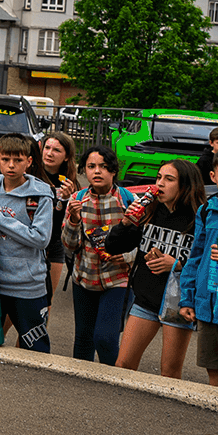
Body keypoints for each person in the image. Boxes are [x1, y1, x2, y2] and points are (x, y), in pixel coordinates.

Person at [111, 160, 201, 379]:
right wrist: (126, 223)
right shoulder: (150, 211)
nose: (160, 184)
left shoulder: (199, 218)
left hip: (178, 302)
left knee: (169, 372)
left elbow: (206, 263)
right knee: (123, 364)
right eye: (159, 177)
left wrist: (177, 264)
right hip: (146, 298)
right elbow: (113, 247)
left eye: (169, 179)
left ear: (186, 186)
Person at [0, 134, 54, 352]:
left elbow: (40, 238)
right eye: (5, 159)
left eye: (18, 160)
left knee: (35, 348)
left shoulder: (40, 196)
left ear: (29, 161)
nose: (11, 165)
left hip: (27, 286)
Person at [61, 145, 135, 363]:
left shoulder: (128, 200)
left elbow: (143, 240)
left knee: (105, 338)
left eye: (103, 166)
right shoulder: (77, 200)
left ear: (113, 171)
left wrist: (128, 256)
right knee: (83, 339)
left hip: (118, 279)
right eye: (91, 166)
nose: (97, 171)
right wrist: (74, 219)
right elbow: (69, 245)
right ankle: (81, 380)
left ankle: (113, 378)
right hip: (84, 278)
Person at [179, 147, 218, 392]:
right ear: (213, 176)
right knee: (213, 370)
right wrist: (187, 298)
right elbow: (195, 257)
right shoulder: (206, 210)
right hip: (206, 304)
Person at [33, 131, 78, 298]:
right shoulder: (30, 176)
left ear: (66, 157)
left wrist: (66, 200)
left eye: (56, 150)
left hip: (55, 244)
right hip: (30, 243)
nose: (49, 153)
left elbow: (67, 223)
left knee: (46, 299)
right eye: (47, 148)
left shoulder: (70, 183)